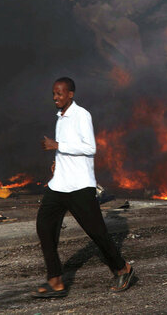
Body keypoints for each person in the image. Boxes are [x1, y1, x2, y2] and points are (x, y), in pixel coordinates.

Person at [31, 77, 135, 298]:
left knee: (97, 232)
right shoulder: (61, 118)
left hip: (79, 186)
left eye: (59, 93)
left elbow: (89, 148)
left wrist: (57, 145)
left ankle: (123, 268)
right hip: (59, 185)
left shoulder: (81, 115)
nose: (55, 97)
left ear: (71, 94)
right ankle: (55, 280)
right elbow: (70, 149)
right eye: (53, 93)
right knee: (44, 227)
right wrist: (57, 160)